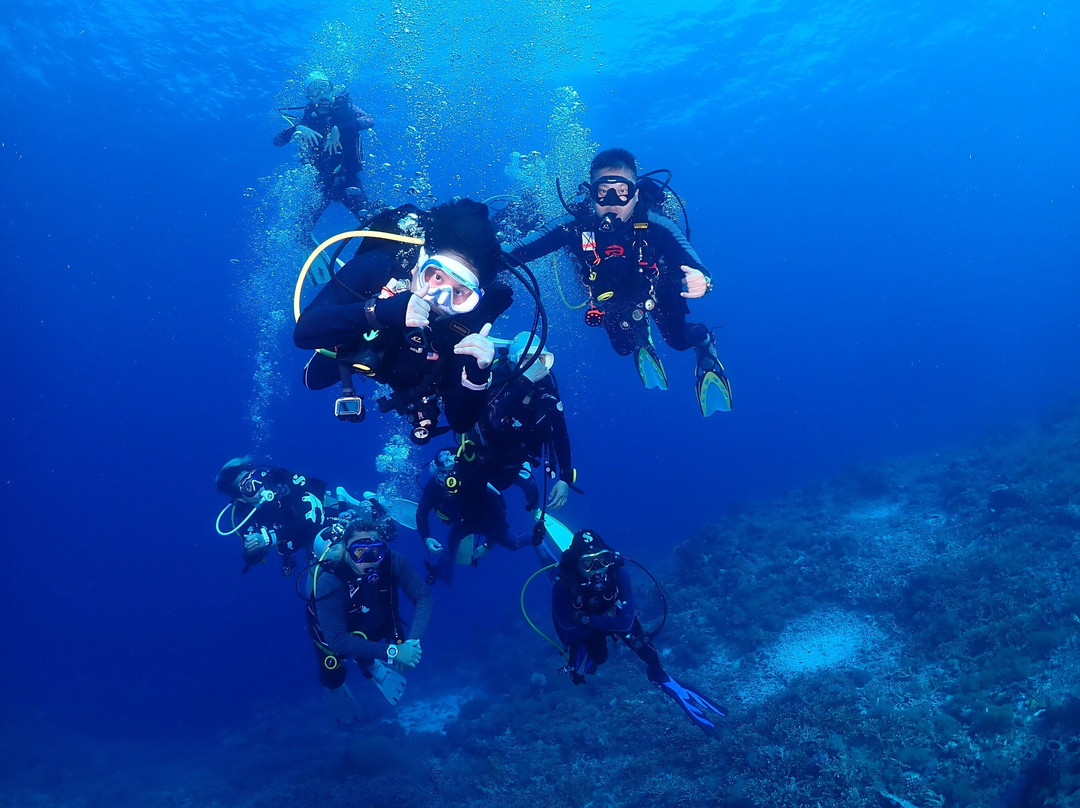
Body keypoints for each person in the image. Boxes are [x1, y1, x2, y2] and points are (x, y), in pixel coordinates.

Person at [506, 147, 732, 416]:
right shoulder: (576, 224)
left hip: (656, 290)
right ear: (591, 193)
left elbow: (696, 265)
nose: (612, 202)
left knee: (679, 341)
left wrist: (702, 280)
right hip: (608, 296)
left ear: (635, 193)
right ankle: (640, 332)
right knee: (623, 348)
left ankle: (704, 342)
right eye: (603, 191)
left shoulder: (656, 224)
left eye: (622, 191)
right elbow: (517, 251)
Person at [294, 198, 512, 443]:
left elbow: (460, 422)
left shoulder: (465, 325)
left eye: (460, 292)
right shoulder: (380, 266)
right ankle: (353, 303)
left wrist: (477, 376)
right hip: (365, 341)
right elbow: (304, 333)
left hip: (417, 379)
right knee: (313, 380)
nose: (440, 299)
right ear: (420, 263)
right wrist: (379, 311)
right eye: (437, 277)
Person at [551, 529, 726, 734]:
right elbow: (566, 633)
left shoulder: (618, 572)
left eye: (603, 560)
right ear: (578, 565)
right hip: (590, 627)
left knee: (645, 649)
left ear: (610, 557)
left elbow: (625, 623)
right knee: (599, 657)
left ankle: (661, 677)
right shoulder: (563, 587)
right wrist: (594, 625)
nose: (598, 569)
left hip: (599, 619)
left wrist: (589, 619)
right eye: (589, 564)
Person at [306, 517, 433, 706]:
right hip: (332, 629)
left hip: (367, 619)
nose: (369, 561)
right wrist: (394, 651)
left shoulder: (393, 561)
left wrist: (413, 641)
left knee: (375, 629)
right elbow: (338, 640)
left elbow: (423, 596)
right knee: (334, 673)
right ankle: (335, 685)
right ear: (345, 550)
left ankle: (369, 663)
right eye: (359, 552)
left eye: (376, 552)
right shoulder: (330, 579)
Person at [457, 331, 577, 514]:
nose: (535, 365)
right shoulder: (498, 380)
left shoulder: (547, 392)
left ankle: (533, 506)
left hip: (517, 454)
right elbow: (495, 418)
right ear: (514, 361)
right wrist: (525, 382)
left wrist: (565, 478)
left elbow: (560, 434)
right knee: (473, 489)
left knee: (505, 482)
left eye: (541, 359)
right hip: (483, 449)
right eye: (527, 359)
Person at [273, 70, 375, 236]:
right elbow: (277, 141)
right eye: (314, 91)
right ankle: (307, 250)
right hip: (323, 183)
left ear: (332, 90)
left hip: (348, 180)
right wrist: (296, 129)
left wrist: (339, 128)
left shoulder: (346, 109)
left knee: (370, 221)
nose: (321, 95)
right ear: (309, 97)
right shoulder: (306, 120)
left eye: (325, 89)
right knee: (300, 230)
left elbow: (369, 121)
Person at [415, 447, 537, 585]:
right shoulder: (434, 485)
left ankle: (538, 537)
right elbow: (422, 511)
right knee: (451, 544)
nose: (448, 480)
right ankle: (445, 567)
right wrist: (426, 538)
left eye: (451, 474)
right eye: (442, 474)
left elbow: (500, 516)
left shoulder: (477, 479)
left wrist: (488, 545)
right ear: (437, 472)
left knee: (515, 544)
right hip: (461, 525)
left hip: (487, 524)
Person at [215, 456, 351, 576]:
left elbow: (309, 513)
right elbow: (251, 558)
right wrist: (252, 550)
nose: (259, 485)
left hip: (325, 512)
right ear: (241, 499)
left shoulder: (280, 479)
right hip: (299, 540)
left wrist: (267, 538)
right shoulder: (246, 518)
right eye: (248, 487)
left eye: (256, 477)